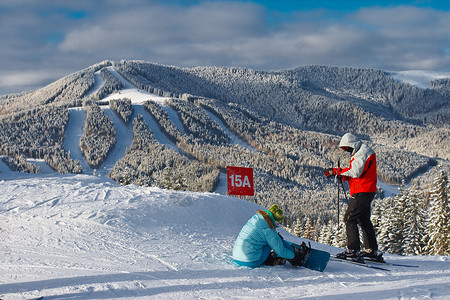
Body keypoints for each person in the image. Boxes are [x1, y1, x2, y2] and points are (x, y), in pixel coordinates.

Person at [324, 133, 382, 262]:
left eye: (347, 148)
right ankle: (371, 250)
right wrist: (343, 176)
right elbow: (358, 173)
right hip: (365, 189)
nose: (347, 151)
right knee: (363, 220)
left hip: (363, 191)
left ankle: (353, 250)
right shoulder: (361, 152)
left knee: (349, 218)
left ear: (352, 144)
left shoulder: (362, 153)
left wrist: (337, 171)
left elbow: (356, 172)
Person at [232, 204, 310, 268]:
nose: (277, 226)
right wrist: (295, 256)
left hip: (236, 257)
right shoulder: (268, 230)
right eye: (278, 224)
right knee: (271, 243)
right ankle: (296, 257)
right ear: (274, 221)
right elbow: (281, 251)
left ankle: (289, 251)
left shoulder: (256, 219)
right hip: (250, 261)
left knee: (273, 240)